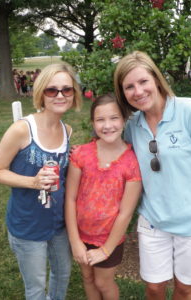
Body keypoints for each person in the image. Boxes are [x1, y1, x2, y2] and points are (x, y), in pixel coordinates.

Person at [113, 51, 191, 300]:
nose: (138, 91)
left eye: (143, 81)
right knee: (154, 287)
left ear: (156, 79)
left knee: (185, 288)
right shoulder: (132, 124)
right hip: (153, 220)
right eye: (129, 87)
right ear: (123, 93)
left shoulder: (189, 111)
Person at [0, 63, 82, 300]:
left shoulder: (67, 130)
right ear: (41, 93)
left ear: (74, 94)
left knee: (62, 276)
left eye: (66, 90)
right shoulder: (22, 129)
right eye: (52, 90)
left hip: (58, 223)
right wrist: (33, 182)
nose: (60, 95)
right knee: (37, 287)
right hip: (28, 223)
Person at [65, 94, 142, 300]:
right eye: (100, 120)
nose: (107, 125)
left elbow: (125, 213)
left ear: (124, 120)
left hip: (110, 239)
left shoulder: (132, 162)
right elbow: (70, 199)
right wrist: (75, 241)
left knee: (103, 282)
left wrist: (106, 250)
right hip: (81, 235)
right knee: (88, 277)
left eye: (114, 118)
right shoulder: (81, 154)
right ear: (93, 123)